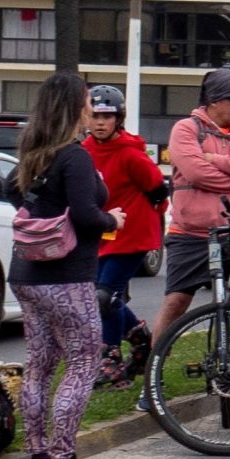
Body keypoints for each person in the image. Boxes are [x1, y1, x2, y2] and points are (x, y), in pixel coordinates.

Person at [6, 74, 123, 459]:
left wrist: (40, 221)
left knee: (39, 364)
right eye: (88, 103)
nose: (92, 110)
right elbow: (88, 214)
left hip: (26, 273)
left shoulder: (32, 151)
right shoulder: (73, 156)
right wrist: (114, 220)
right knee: (84, 359)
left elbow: (9, 189)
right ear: (75, 108)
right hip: (67, 276)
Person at [149, 69, 230, 356]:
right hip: (191, 234)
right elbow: (195, 172)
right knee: (176, 303)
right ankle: (153, 373)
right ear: (214, 102)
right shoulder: (187, 129)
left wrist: (217, 160)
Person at [84, 84, 166, 388]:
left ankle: (112, 360)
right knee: (106, 296)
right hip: (103, 232)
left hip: (132, 233)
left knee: (104, 296)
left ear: (118, 119)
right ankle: (142, 342)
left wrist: (151, 218)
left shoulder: (130, 153)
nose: (101, 122)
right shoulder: (85, 152)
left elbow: (158, 188)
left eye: (108, 116)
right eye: (95, 116)